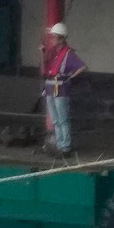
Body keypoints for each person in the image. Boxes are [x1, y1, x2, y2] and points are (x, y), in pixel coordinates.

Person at [40, 22, 86, 154]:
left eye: (54, 37)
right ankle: (60, 145)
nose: (53, 39)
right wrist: (42, 53)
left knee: (62, 118)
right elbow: (44, 70)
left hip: (61, 89)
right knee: (55, 119)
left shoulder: (68, 53)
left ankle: (65, 146)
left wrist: (69, 77)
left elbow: (82, 67)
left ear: (61, 38)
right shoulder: (53, 53)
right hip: (50, 88)